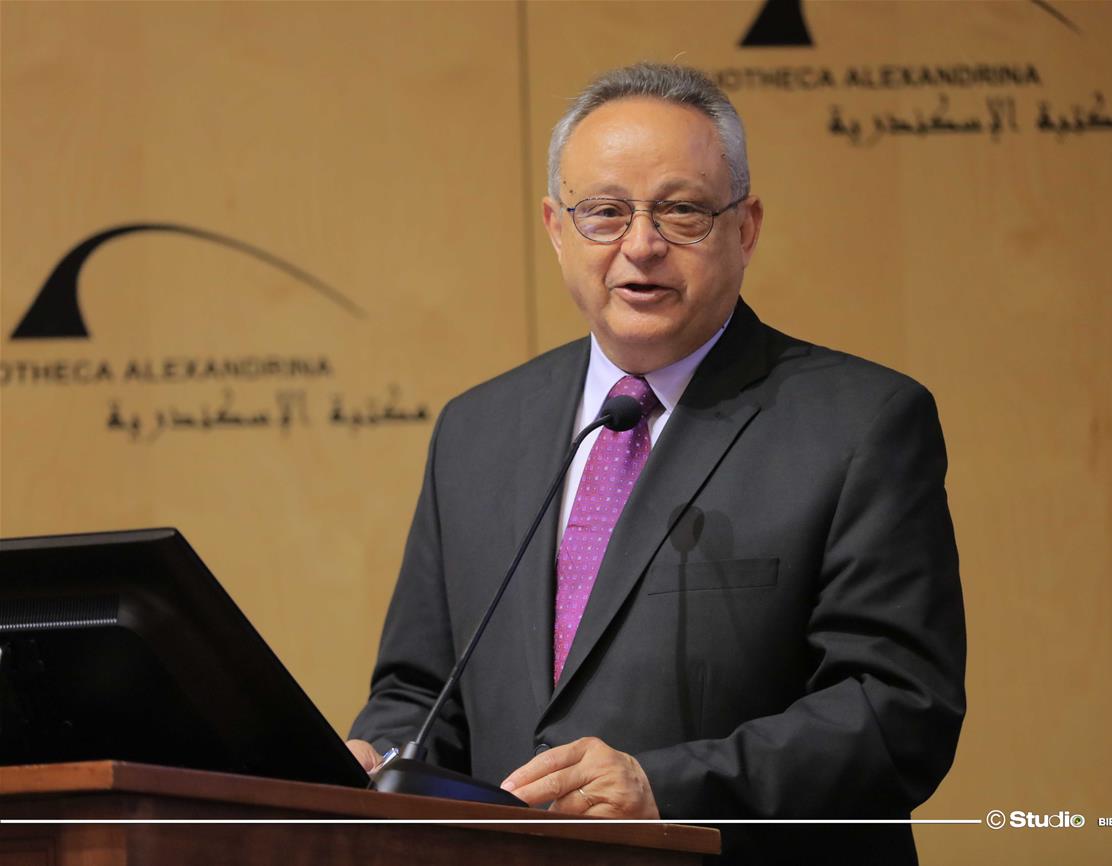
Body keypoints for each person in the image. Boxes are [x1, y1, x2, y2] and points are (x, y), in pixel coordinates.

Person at [347, 62, 965, 863]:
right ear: (555, 227)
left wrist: (665, 789)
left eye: (681, 211)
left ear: (744, 228)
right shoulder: (479, 429)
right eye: (604, 212)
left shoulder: (860, 423)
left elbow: (897, 710)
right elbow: (418, 690)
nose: (640, 245)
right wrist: (380, 758)